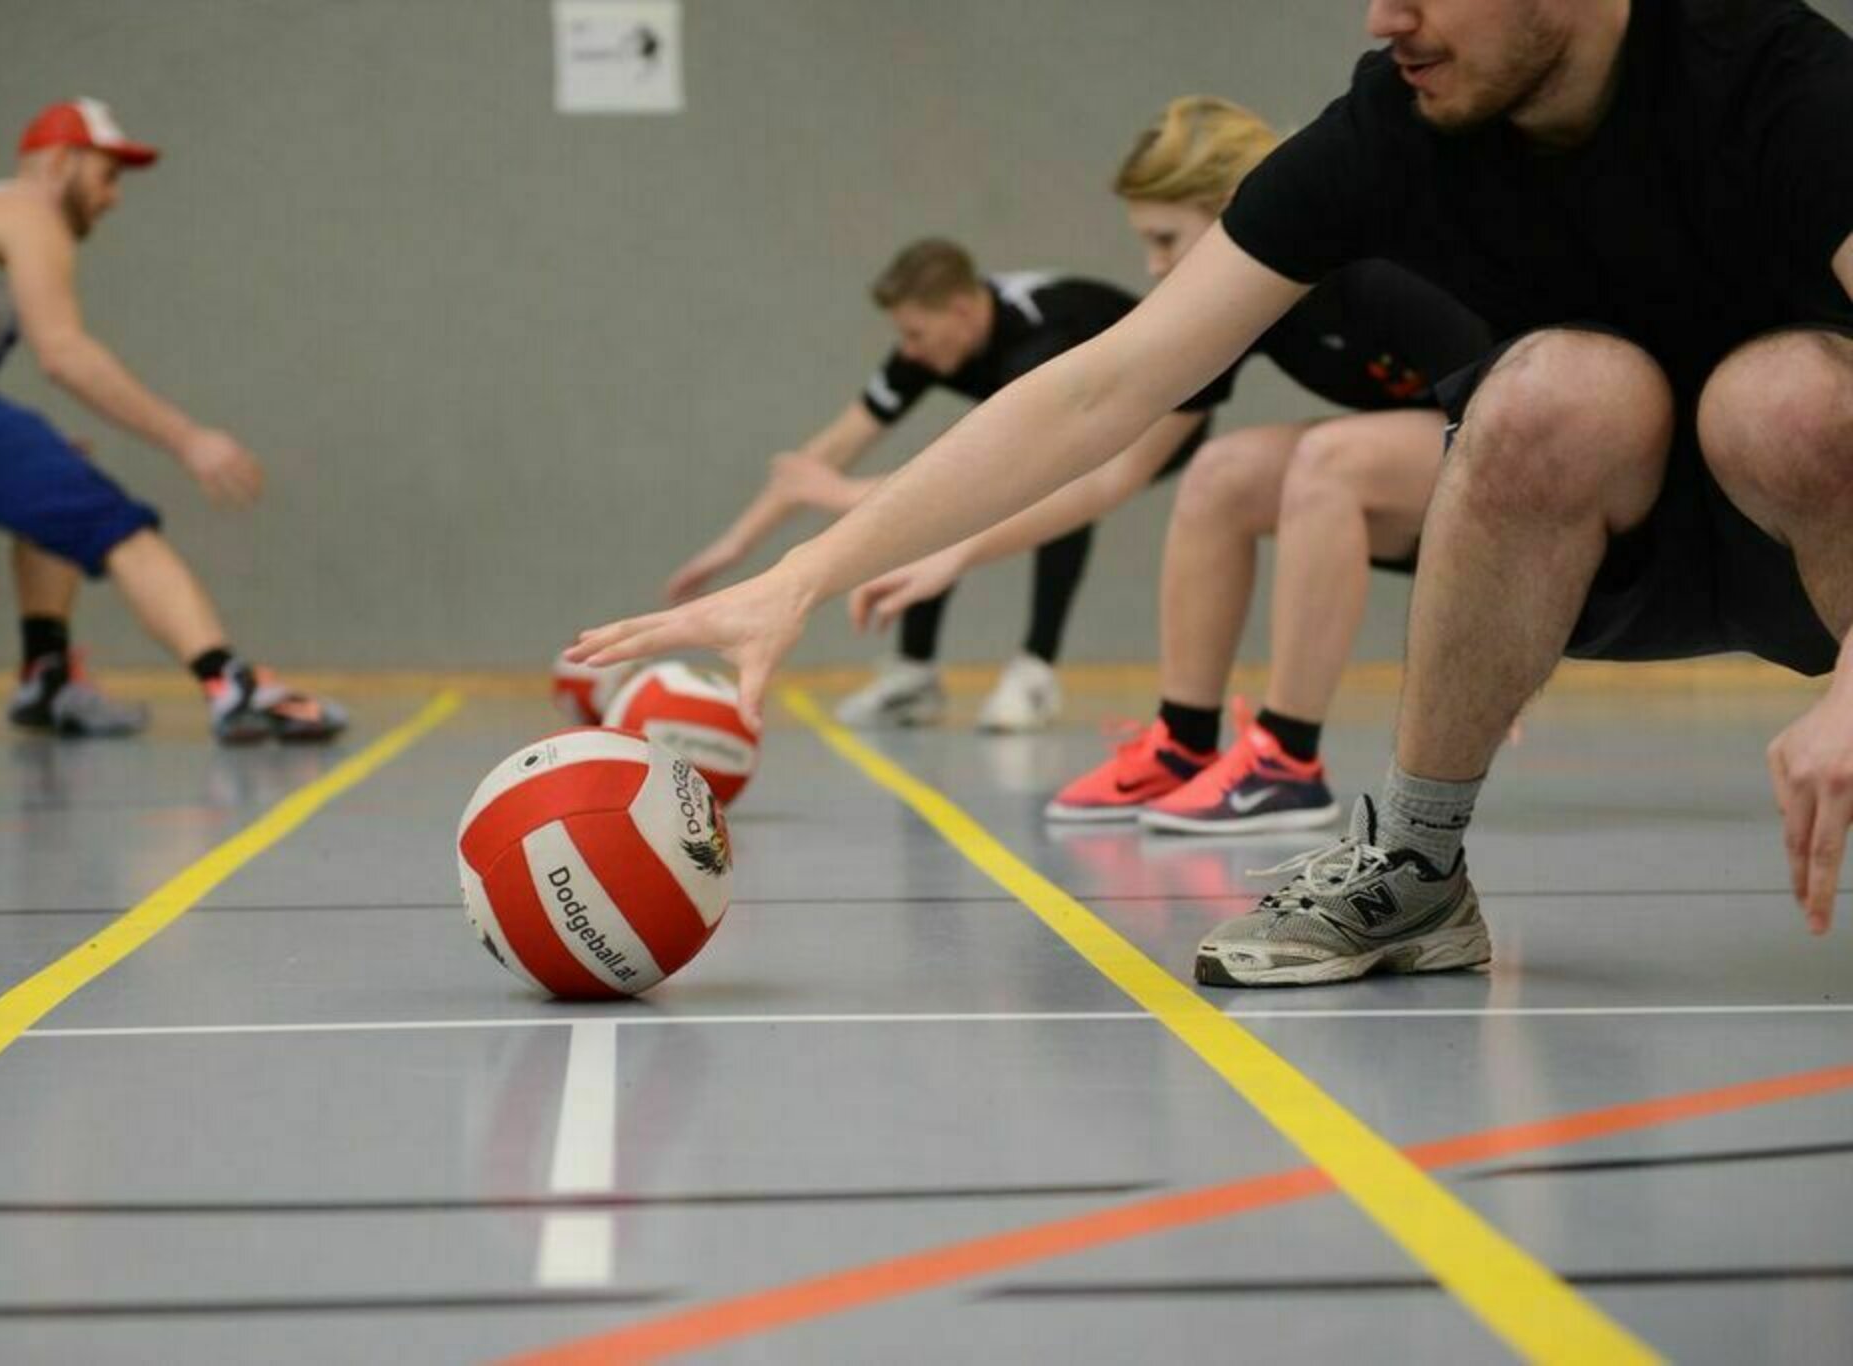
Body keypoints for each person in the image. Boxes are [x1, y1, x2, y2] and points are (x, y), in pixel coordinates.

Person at [572, 0, 1853, 986]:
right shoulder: (1392, 126)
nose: (1380, 17)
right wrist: (799, 576)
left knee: (1783, 393)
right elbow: (1102, 389)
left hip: (1814, 528)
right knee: (1548, 390)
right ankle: (1412, 863)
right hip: (1594, 549)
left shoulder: (1771, 75)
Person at [848, 96, 1492, 834]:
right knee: (1219, 472)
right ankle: (1182, 746)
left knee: (1329, 459)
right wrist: (957, 552)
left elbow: (1501, 425)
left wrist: (1476, 634)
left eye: (1165, 240)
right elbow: (1112, 472)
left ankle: (1287, 763)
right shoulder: (1246, 302)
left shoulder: (1375, 266)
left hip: (1528, 465)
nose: (1154, 270)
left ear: (1234, 208)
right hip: (1429, 462)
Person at [0, 99, 346, 744]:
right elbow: (63, 353)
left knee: (58, 481)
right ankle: (231, 684)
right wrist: (190, 439)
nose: (113, 198)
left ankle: (48, 675)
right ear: (61, 163)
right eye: (106, 175)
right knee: (115, 521)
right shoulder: (28, 210)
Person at [663, 238, 1208, 732]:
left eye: (915, 333)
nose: (909, 349)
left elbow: (1007, 473)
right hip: (1072, 422)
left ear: (963, 311)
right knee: (946, 480)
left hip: (1168, 414)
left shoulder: (1038, 342)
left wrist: (838, 494)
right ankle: (914, 675)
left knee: (1051, 491)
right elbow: (826, 453)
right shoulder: (933, 343)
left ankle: (1035, 669)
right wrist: (739, 544)